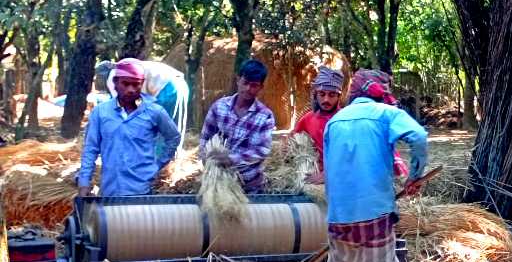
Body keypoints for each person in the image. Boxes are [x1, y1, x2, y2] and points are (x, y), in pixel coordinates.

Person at [319, 68, 429, 262]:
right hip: (375, 215)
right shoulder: (384, 114)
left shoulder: (335, 120)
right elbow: (418, 135)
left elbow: (329, 171)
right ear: (378, 91)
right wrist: (415, 176)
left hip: (338, 216)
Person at [77, 59, 181, 196]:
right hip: (110, 191)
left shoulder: (155, 112)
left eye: (136, 85)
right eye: (125, 84)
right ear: (115, 83)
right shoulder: (101, 113)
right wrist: (84, 182)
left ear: (142, 84)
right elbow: (90, 148)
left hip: (141, 191)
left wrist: (156, 165)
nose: (131, 90)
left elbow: (173, 137)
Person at [199, 59, 276, 193]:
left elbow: (262, 150)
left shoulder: (265, 116)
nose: (248, 89)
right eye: (245, 83)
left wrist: (231, 159)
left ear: (261, 87)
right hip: (217, 183)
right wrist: (207, 160)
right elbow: (206, 137)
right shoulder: (219, 107)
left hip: (249, 185)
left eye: (254, 85)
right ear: (238, 80)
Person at [96, 58, 190, 145]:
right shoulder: (125, 68)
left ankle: (158, 158)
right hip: (180, 84)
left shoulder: (114, 78)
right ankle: (171, 157)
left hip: (166, 88)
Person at [292, 66, 344, 174]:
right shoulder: (308, 119)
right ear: (315, 95)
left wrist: (327, 174)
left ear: (339, 97)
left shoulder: (346, 119)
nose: (326, 99)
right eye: (322, 94)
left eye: (332, 95)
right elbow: (291, 140)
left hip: (340, 175)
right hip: (313, 175)